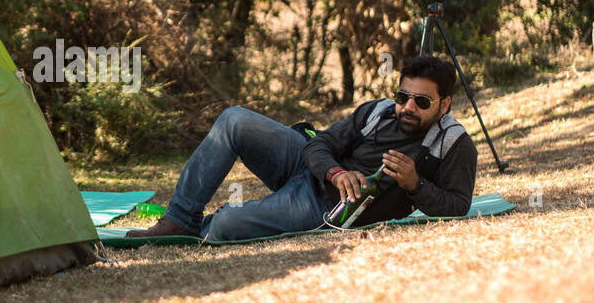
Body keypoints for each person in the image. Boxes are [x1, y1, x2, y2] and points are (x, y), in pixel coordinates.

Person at [126, 55, 478, 241]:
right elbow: (321, 143)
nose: (408, 108)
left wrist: (414, 184)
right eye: (403, 96)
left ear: (444, 105)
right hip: (309, 167)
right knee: (234, 119)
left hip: (321, 206)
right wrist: (336, 171)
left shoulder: (454, 145)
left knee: (224, 226)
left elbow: (458, 206)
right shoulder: (375, 111)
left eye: (421, 101)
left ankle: (206, 226)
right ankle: (180, 219)